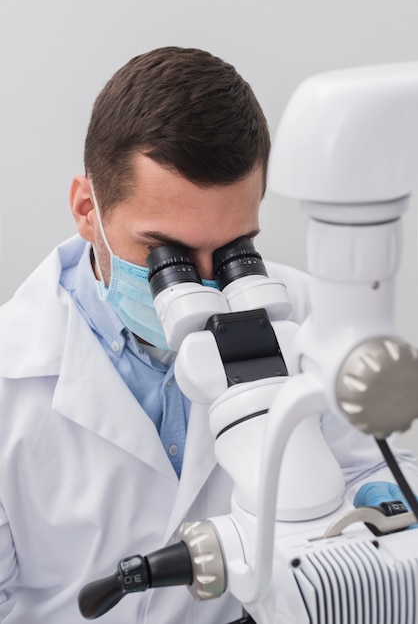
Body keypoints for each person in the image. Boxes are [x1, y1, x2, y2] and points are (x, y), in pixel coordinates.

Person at [0, 46, 417, 624]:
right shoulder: (9, 372)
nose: (198, 283)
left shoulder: (307, 316)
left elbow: (381, 470)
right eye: (163, 252)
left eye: (230, 251)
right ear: (86, 208)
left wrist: (382, 503)